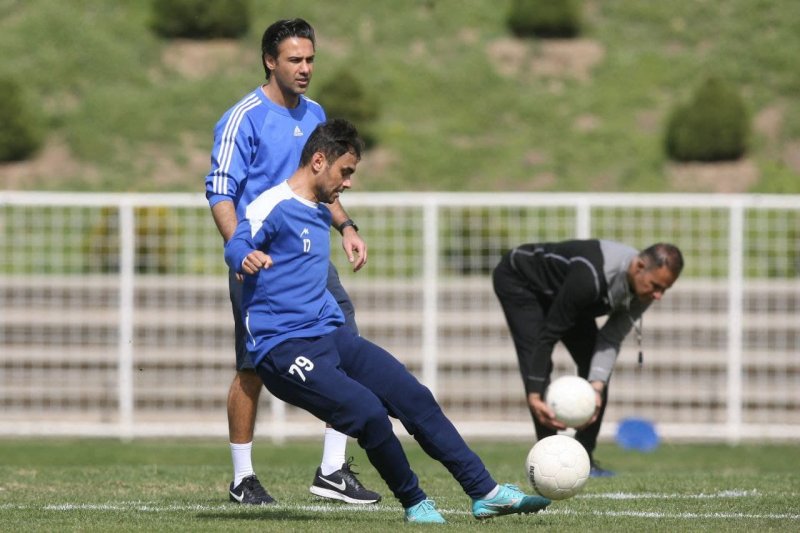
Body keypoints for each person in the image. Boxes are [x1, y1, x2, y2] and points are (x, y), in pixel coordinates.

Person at [224, 118, 552, 523]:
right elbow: (238, 240)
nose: (348, 182)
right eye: (345, 172)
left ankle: (485, 492)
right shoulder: (270, 205)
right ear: (318, 161)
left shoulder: (317, 207)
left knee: (414, 398)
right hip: (282, 348)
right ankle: (415, 502)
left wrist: (347, 228)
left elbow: (329, 214)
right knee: (367, 412)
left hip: (330, 336)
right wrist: (244, 256)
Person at [204, 18, 379, 505]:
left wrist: (346, 227)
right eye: (294, 60)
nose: (305, 69)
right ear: (269, 61)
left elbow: (321, 183)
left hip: (310, 261)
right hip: (261, 264)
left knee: (343, 345)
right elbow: (220, 191)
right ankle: (243, 478)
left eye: (310, 59)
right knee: (252, 366)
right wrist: (241, 250)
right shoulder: (244, 117)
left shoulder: (316, 113)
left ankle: (332, 469)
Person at [492, 239, 683, 477]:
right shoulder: (590, 276)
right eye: (656, 286)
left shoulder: (645, 292)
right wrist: (533, 394)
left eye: (664, 289)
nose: (658, 296)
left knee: (597, 368)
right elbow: (548, 335)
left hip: (567, 294)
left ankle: (585, 459)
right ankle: (549, 460)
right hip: (521, 280)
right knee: (538, 367)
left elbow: (610, 339)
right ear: (639, 266)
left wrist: (596, 387)